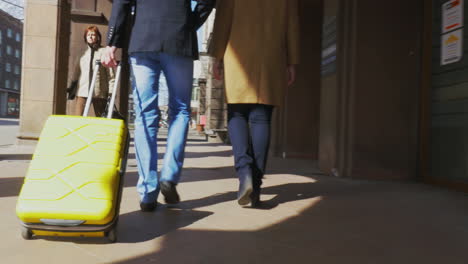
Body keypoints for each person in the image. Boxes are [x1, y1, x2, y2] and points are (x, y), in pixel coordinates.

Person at [102, 0, 215, 212]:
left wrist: (112, 42)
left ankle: (147, 192)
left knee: (145, 115)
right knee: (181, 110)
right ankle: (170, 176)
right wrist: (189, 23)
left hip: (143, 38)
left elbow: (122, 3)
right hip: (179, 39)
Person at [209, 0, 300, 207]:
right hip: (271, 54)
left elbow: (223, 19)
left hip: (237, 51)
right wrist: (292, 60)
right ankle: (256, 187)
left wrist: (216, 55)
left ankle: (244, 173)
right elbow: (292, 22)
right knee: (261, 118)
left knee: (237, 113)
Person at [68, 26, 115, 117]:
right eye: (88, 35)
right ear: (85, 37)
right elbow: (76, 73)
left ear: (98, 37)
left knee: (101, 119)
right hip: (82, 91)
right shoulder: (82, 53)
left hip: (100, 92)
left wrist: (111, 92)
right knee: (78, 118)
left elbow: (111, 75)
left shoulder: (104, 52)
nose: (90, 36)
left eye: (93, 34)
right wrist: (71, 87)